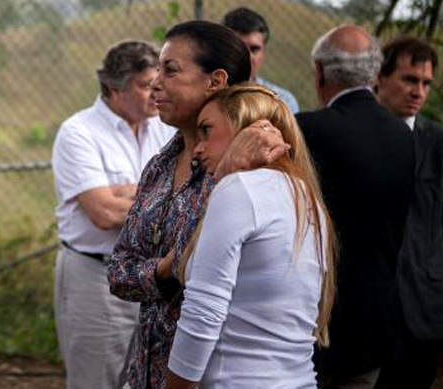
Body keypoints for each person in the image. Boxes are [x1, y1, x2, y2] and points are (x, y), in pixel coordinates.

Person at [108, 21, 288, 389]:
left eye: (171, 70)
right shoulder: (160, 165)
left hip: (211, 377)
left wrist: (167, 268)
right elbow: (119, 271)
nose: (156, 83)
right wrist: (163, 270)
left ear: (215, 81)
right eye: (158, 70)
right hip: (147, 372)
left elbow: (211, 272)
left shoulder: (255, 170)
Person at [165, 84, 336, 388]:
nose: (197, 148)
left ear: (244, 128)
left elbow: (204, 312)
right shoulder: (303, 194)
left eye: (207, 130)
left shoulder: (240, 190)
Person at [52, 40, 175, 389]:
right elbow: (103, 213)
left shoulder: (165, 128)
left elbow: (184, 188)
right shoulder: (79, 132)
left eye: (157, 83)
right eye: (144, 85)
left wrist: (128, 191)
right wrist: (159, 196)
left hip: (153, 276)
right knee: (98, 380)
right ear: (113, 87)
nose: (155, 93)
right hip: (96, 275)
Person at [296, 25, 415, 388]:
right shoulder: (405, 137)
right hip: (376, 320)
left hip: (313, 323)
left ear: (319, 71)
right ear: (376, 75)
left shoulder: (307, 131)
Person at [375, 37, 443, 388]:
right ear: (379, 77)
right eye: (409, 80)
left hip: (422, 311)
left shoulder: (437, 144)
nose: (419, 91)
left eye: (426, 83)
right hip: (365, 312)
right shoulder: (355, 137)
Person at [223, 7, 300, 113]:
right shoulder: (208, 96)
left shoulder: (282, 101)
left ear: (263, 52)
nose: (248, 56)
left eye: (254, 49)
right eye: (240, 48)